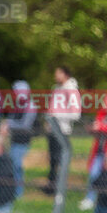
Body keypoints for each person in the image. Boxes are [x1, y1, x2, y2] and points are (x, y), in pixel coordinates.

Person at [79, 102, 107, 210]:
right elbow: (95, 129)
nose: (105, 105)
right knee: (94, 174)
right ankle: (90, 199)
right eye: (104, 103)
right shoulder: (102, 115)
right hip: (100, 151)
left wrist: (101, 126)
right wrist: (92, 128)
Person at [44, 66, 81, 195]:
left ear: (65, 74)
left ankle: (58, 187)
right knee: (52, 160)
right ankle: (51, 185)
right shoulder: (56, 89)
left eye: (58, 73)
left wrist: (56, 116)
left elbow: (75, 114)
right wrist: (49, 119)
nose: (56, 76)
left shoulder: (72, 91)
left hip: (62, 130)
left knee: (59, 159)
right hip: (52, 130)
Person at [0, 80, 37, 198]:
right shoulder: (16, 105)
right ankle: (14, 189)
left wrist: (8, 123)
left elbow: (25, 125)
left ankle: (18, 192)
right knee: (13, 165)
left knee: (16, 165)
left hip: (23, 141)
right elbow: (12, 120)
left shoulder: (30, 106)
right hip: (14, 140)